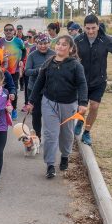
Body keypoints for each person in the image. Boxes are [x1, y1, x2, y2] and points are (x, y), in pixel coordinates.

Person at [26, 35, 88, 179]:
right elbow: (39, 83)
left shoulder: (75, 65)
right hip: (49, 103)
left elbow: (82, 84)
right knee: (50, 135)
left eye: (64, 45)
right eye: (58, 44)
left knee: (66, 134)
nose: (60, 46)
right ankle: (50, 165)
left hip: (69, 104)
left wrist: (83, 103)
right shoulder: (49, 63)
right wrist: (31, 101)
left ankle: (65, 156)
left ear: (71, 48)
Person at [74, 14, 112, 145]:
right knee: (82, 108)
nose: (91, 31)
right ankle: (80, 121)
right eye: (88, 28)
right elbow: (70, 55)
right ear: (84, 28)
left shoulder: (106, 40)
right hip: (82, 80)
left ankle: (87, 132)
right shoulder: (78, 40)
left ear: (98, 26)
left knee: (94, 106)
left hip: (99, 80)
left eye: (93, 28)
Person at [23, 33, 56, 137]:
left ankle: (50, 135)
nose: (43, 46)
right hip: (34, 89)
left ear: (49, 43)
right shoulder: (32, 55)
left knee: (50, 115)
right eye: (40, 43)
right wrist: (39, 71)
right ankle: (37, 136)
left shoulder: (54, 54)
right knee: (36, 115)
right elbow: (27, 71)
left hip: (50, 90)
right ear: (36, 44)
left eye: (45, 43)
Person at [0, 23, 26, 118]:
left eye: (10, 29)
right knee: (1, 90)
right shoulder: (0, 42)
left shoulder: (18, 41)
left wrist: (21, 60)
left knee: (13, 91)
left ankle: (13, 110)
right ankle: (2, 109)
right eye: (6, 30)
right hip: (2, 71)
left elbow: (24, 51)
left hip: (14, 71)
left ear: (14, 31)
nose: (8, 31)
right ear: (4, 31)